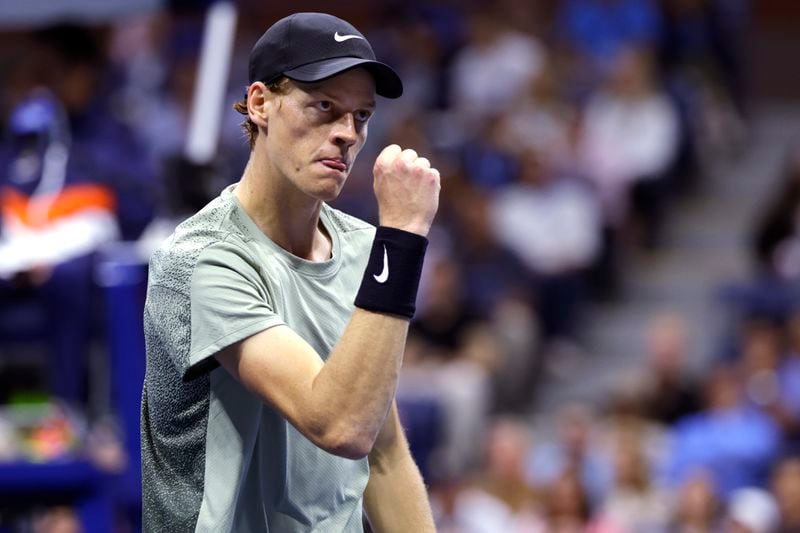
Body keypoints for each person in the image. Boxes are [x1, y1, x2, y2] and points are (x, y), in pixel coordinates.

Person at [140, 13, 439, 532]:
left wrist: (392, 244)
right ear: (261, 104)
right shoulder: (201, 260)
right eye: (324, 107)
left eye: (361, 116)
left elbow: (383, 454)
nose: (347, 134)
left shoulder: (366, 249)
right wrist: (405, 236)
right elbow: (337, 423)